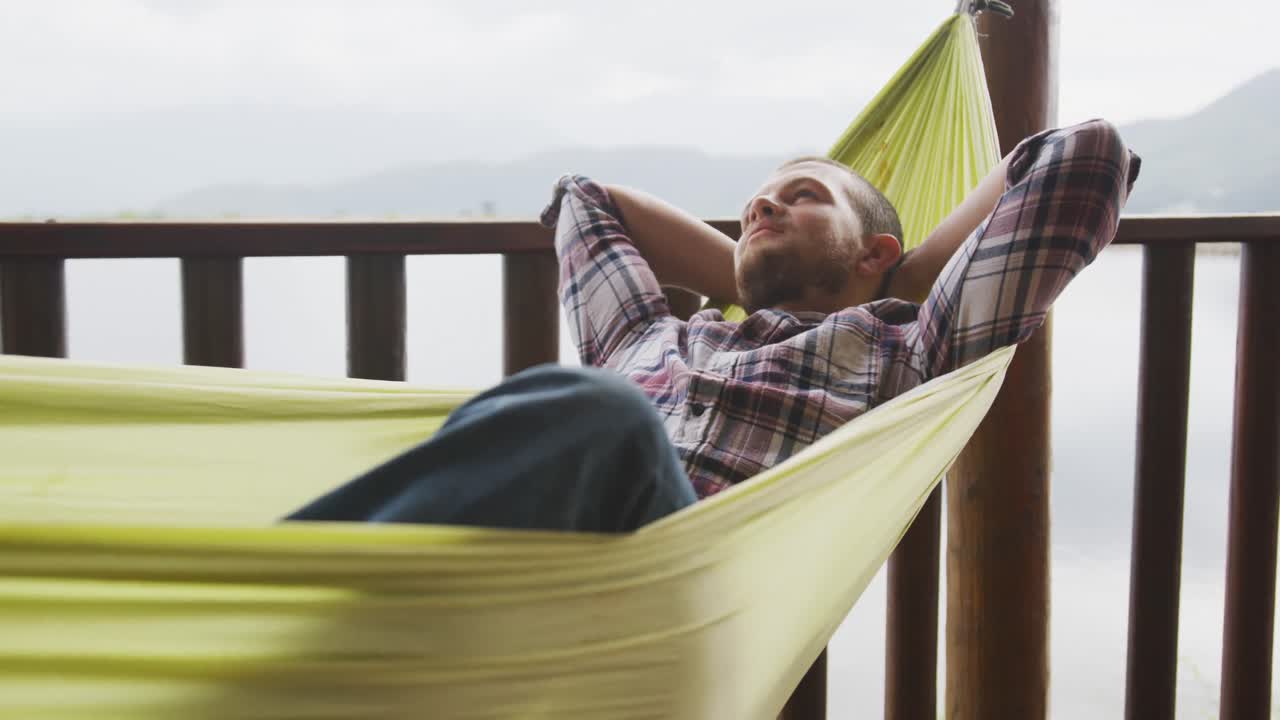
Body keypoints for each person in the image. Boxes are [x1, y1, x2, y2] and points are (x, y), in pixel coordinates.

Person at [285, 119, 1140, 532]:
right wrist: (746, 269)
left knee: (596, 411)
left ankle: (300, 577)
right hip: (531, 553)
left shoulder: (912, 351)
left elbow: (1083, 158)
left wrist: (901, 282)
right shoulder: (648, 339)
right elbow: (583, 200)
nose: (765, 202)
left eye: (804, 197)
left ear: (878, 250)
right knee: (564, 408)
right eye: (756, 201)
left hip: (689, 564)